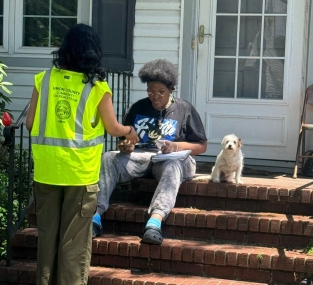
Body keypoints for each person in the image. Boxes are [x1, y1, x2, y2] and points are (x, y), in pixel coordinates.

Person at [26, 23, 139, 285]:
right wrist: (130, 130)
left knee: (47, 239)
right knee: (73, 244)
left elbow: (31, 124)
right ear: (93, 53)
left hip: (46, 171)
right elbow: (113, 128)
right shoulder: (97, 87)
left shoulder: (43, 79)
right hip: (80, 174)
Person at [93, 58, 208, 244]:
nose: (155, 96)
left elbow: (202, 146)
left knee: (171, 165)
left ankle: (155, 221)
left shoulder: (185, 109)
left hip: (174, 159)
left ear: (171, 89)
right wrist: (124, 146)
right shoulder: (138, 107)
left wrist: (176, 146)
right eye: (151, 91)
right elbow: (123, 140)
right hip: (141, 157)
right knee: (108, 157)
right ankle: (96, 215)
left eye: (161, 92)